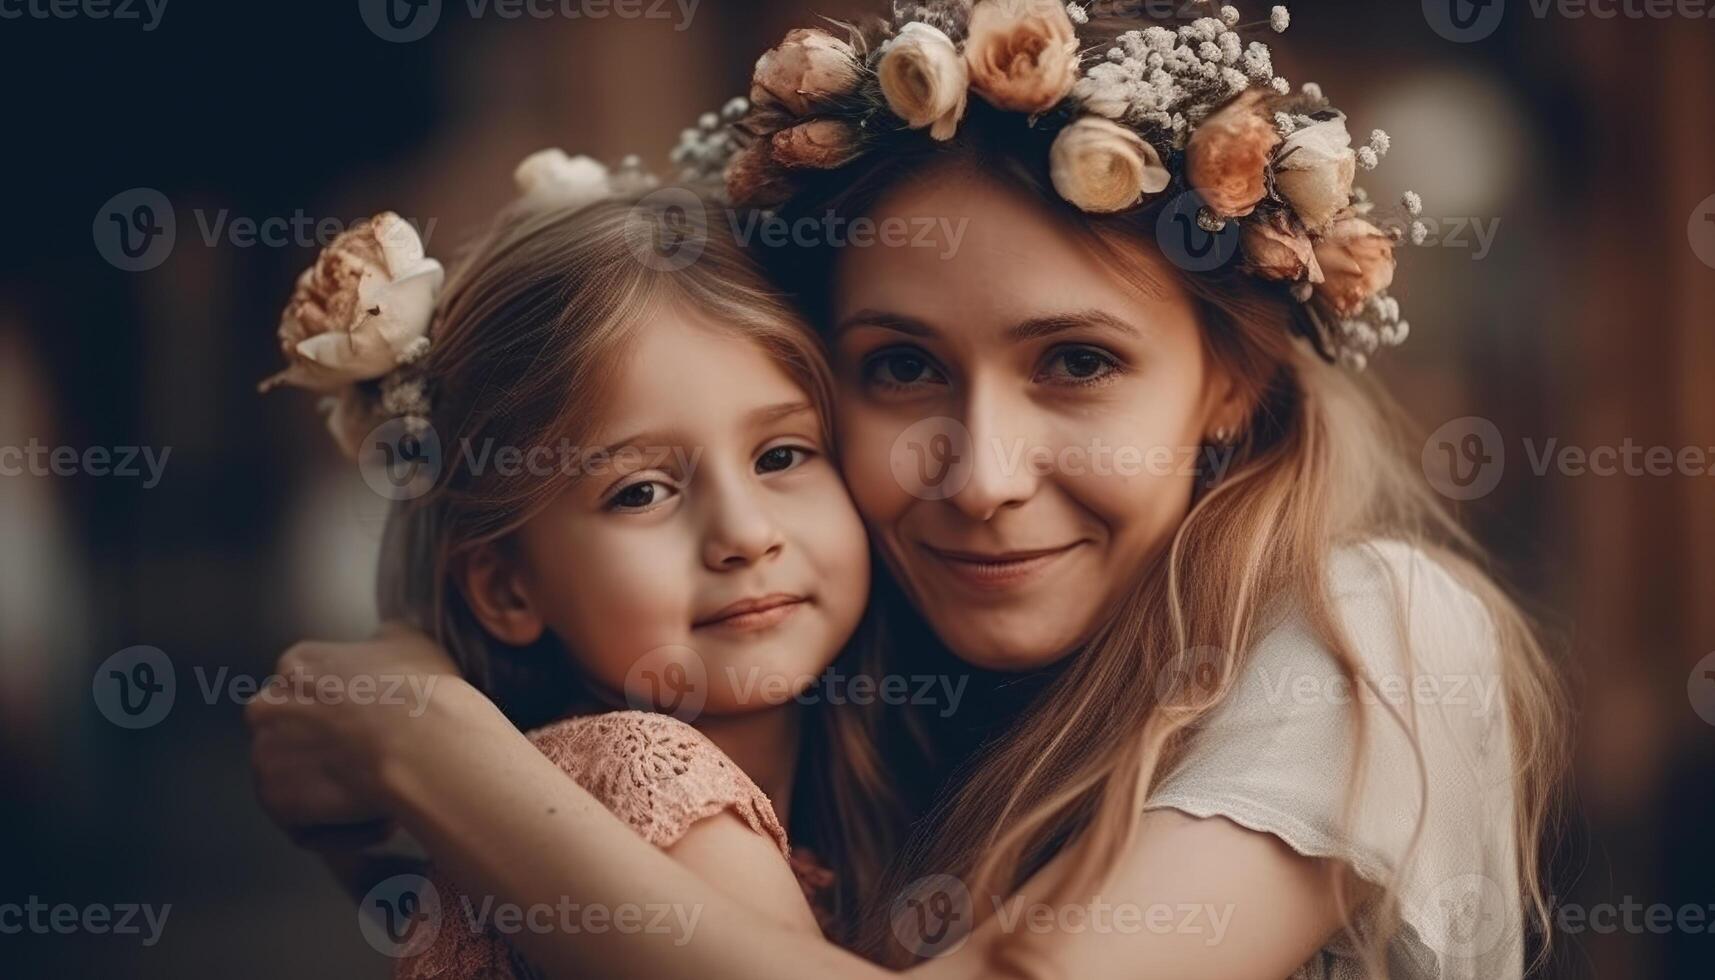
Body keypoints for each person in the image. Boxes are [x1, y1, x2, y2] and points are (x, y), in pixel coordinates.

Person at [247, 3, 1567, 978]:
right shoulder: (875, 698)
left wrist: (424, 742)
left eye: (1077, 363)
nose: (983, 480)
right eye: (899, 369)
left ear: (1230, 380)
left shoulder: (1362, 632)